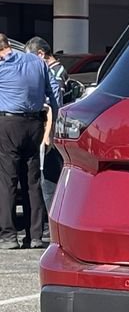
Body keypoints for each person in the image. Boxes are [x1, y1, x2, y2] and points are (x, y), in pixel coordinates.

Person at [0, 33, 61, 249]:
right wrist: (54, 122)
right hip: (35, 124)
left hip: (9, 124)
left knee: (8, 180)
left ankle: (8, 237)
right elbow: (54, 91)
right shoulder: (36, 62)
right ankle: (35, 235)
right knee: (32, 179)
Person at [24, 37, 66, 224]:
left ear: (40, 54)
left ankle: (50, 223)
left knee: (48, 180)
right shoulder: (50, 71)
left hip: (51, 128)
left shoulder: (57, 73)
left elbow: (55, 102)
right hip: (47, 127)